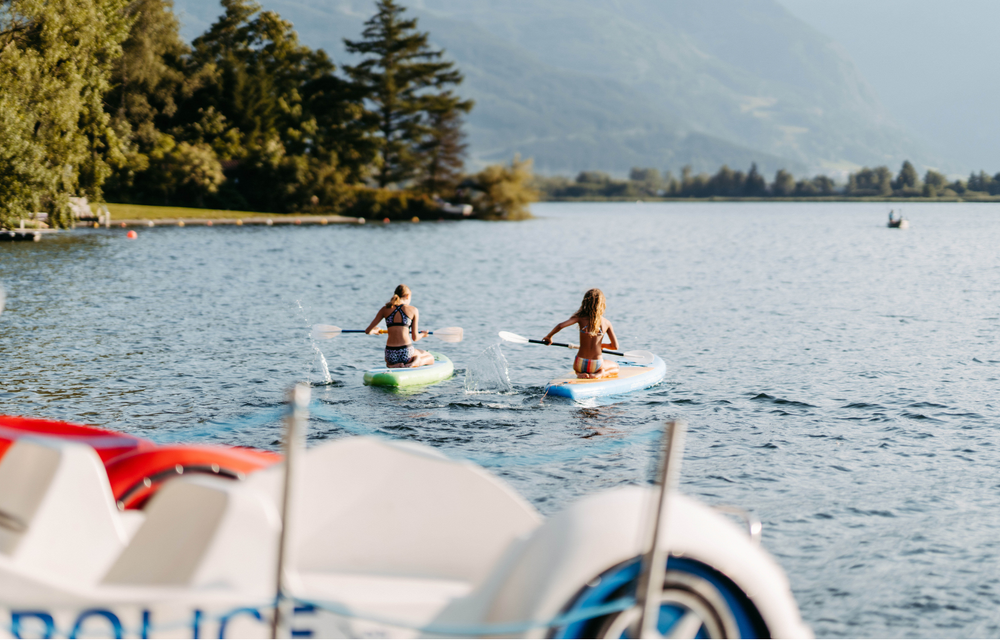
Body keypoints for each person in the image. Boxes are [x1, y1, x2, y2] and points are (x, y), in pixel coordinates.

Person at [541, 288, 620, 379]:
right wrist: (601, 345)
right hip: (596, 364)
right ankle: (600, 373)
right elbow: (615, 346)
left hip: (579, 364)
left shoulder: (580, 317)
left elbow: (560, 325)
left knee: (578, 368)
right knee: (616, 367)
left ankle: (579, 373)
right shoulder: (606, 323)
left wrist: (549, 337)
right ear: (602, 304)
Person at [365, 284, 434, 368]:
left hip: (390, 354)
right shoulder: (413, 310)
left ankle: (392, 365)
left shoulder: (385, 309)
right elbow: (415, 337)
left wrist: (374, 331)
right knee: (429, 357)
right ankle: (416, 362)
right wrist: (423, 334)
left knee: (388, 362)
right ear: (407, 296)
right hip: (406, 352)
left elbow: (368, 331)